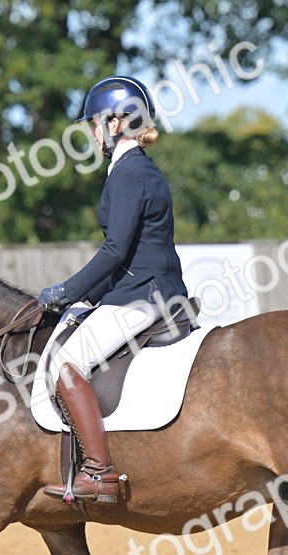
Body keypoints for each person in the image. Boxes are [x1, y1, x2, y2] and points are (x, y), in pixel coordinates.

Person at [36, 75, 190, 505]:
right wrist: (89, 296)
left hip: (145, 295)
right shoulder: (136, 169)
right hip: (146, 286)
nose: (91, 133)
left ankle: (99, 474)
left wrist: (68, 289)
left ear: (116, 123)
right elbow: (131, 251)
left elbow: (116, 248)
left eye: (94, 124)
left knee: (67, 362)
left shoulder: (128, 173)